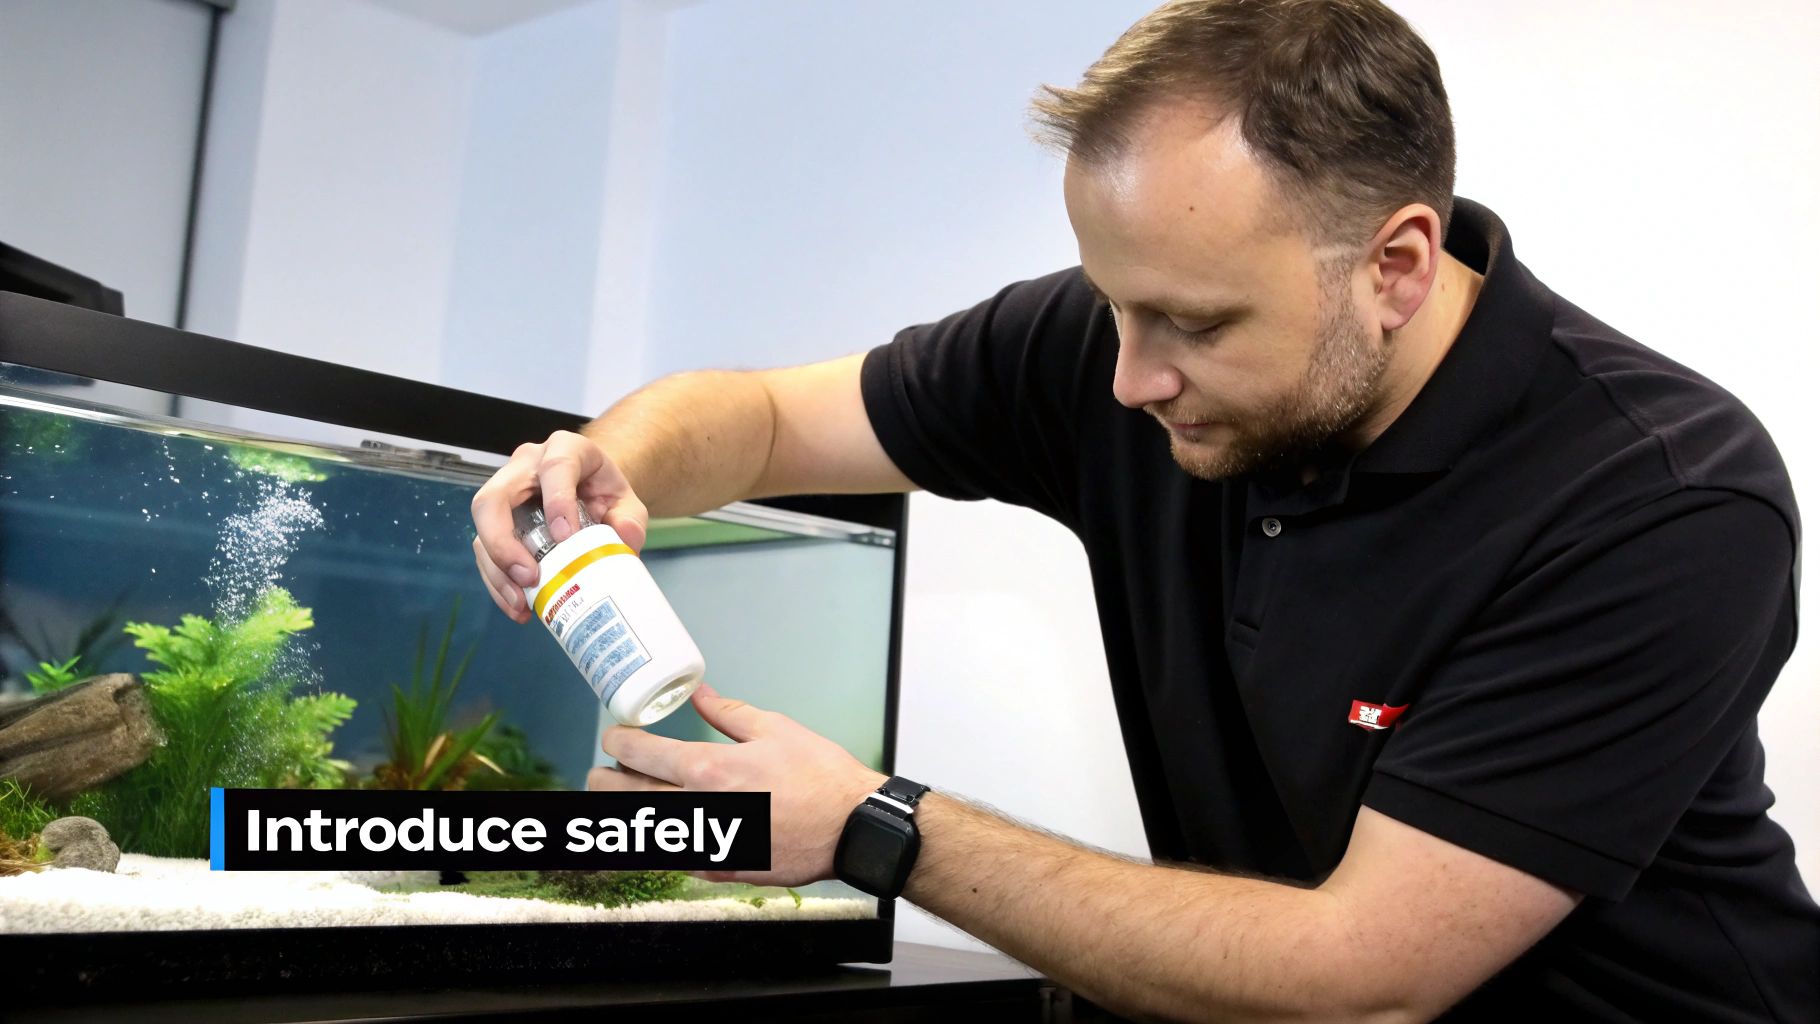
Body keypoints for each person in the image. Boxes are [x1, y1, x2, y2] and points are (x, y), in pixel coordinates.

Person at [470, 1, 1818, 1020]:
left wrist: (874, 824)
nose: (1127, 376)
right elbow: (764, 419)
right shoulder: (1118, 348)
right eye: (1112, 304)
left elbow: (1364, 979)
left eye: (1193, 324)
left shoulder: (1659, 496)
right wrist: (605, 464)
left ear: (1397, 266)